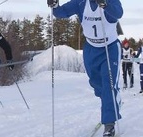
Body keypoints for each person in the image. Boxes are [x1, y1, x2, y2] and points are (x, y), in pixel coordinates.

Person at [47, 0, 123, 136]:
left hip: (109, 49)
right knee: (97, 86)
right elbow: (61, 12)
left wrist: (105, 4)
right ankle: (110, 104)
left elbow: (118, 13)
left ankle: (109, 124)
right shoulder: (80, 3)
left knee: (109, 86)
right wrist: (55, 5)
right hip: (91, 49)